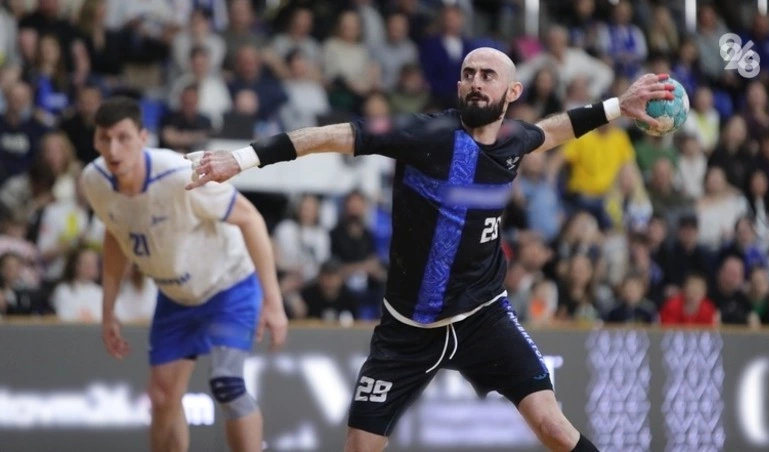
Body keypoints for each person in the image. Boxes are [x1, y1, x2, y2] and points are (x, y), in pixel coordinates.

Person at [186, 47, 673, 452]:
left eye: (487, 76)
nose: (475, 82)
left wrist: (618, 106)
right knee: (359, 447)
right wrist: (241, 158)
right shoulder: (426, 135)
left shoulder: (513, 140)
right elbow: (328, 137)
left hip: (484, 316)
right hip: (407, 329)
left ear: (512, 92)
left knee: (553, 427)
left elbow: (554, 130)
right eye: (468, 74)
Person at [80, 97, 287, 452]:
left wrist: (274, 301)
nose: (113, 149)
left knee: (226, 383)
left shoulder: (179, 175)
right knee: (162, 398)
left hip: (228, 286)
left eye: (123, 138)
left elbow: (251, 219)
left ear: (143, 138)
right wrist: (108, 308)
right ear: (95, 140)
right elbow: (115, 233)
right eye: (105, 138)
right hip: (175, 296)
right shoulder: (94, 180)